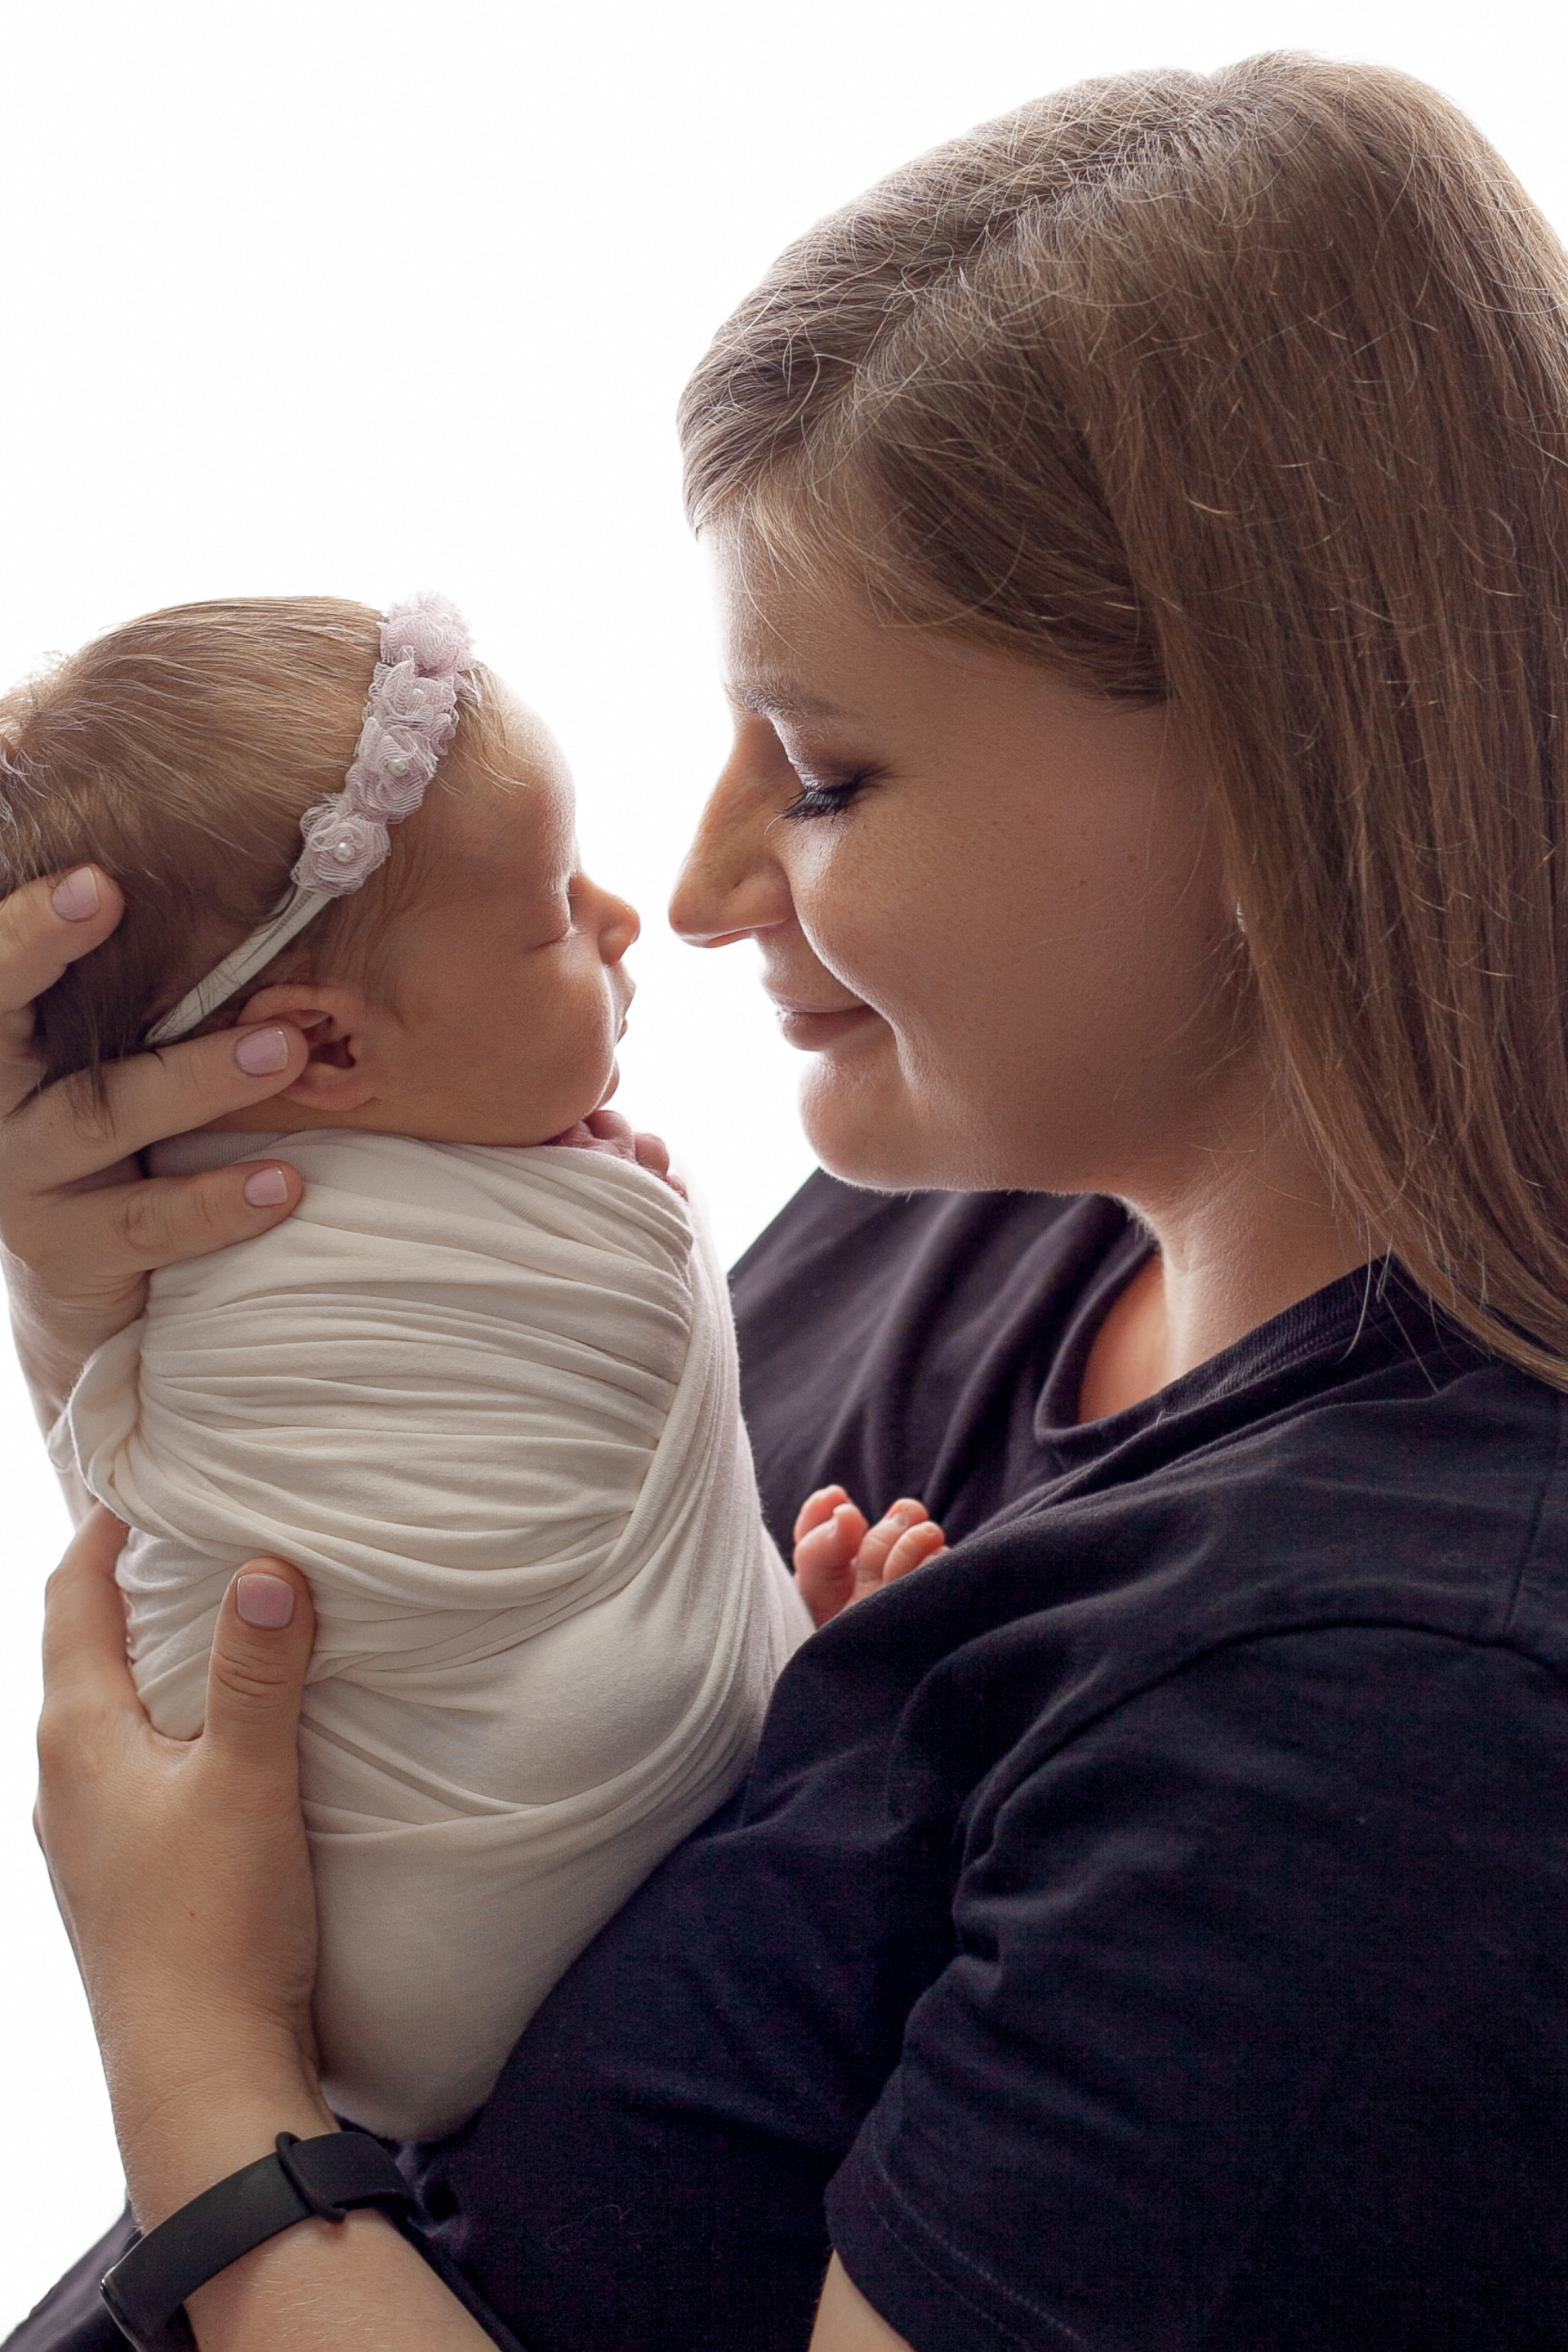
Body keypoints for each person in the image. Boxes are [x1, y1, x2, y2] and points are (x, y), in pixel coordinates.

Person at [8, 47, 1568, 2352]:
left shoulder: (1374, 1730)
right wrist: (114, 1295)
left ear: (1277, 765)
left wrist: (201, 2075)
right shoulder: (977, 1211)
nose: (714, 881)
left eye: (827, 775)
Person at [0, 587, 829, 2140]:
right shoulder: (226, 1280)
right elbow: (201, 1541)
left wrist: (817, 1687)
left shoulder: (317, 1231)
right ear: (321, 1053)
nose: (627, 916)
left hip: (341, 2104)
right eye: (547, 918)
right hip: (417, 2013)